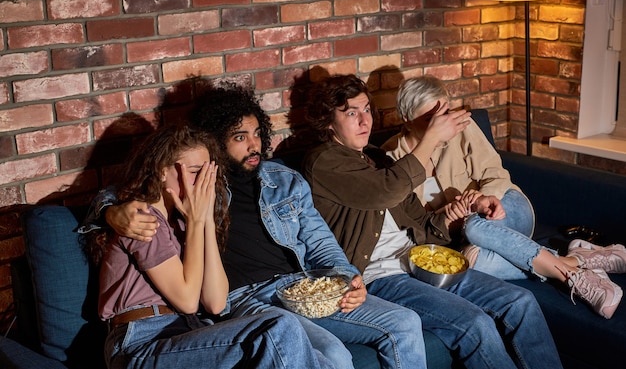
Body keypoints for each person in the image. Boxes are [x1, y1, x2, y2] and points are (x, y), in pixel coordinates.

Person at [87, 85, 429, 369]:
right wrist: (109, 212)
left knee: (405, 322)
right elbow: (134, 190)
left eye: (256, 134)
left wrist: (346, 277)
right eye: (239, 137)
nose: (254, 145)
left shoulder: (283, 179)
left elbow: (319, 240)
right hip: (245, 299)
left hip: (300, 288)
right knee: (334, 355)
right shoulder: (196, 188)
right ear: (216, 142)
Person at [301, 73, 566, 369]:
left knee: (521, 302)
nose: (365, 121)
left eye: (366, 110)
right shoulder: (323, 161)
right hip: (380, 276)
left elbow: (424, 225)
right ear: (327, 121)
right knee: (474, 323)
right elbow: (386, 191)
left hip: (422, 259)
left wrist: (448, 217)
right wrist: (431, 139)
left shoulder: (378, 158)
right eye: (351, 113)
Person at [83, 124, 332, 369]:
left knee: (320, 359)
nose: (203, 183)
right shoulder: (141, 218)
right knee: (279, 327)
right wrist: (195, 222)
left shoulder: (181, 222)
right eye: (194, 172)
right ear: (160, 170)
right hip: (141, 342)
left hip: (191, 332)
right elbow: (188, 300)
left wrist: (205, 222)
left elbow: (215, 302)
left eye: (207, 174)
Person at [381, 75, 625, 318]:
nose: (442, 125)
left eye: (444, 114)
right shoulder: (391, 159)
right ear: (406, 120)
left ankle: (572, 278)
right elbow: (410, 222)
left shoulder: (462, 129)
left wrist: (481, 200)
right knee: (471, 261)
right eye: (429, 120)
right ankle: (576, 261)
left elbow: (497, 175)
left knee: (475, 226)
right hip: (466, 240)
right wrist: (444, 215)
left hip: (506, 210)